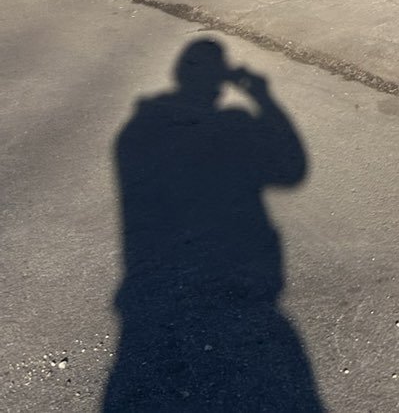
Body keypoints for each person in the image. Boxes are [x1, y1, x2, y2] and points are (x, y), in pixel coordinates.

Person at [103, 38, 320, 411]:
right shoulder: (232, 126)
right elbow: (291, 171)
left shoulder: (134, 133)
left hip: (151, 289)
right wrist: (264, 98)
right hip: (237, 280)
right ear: (218, 82)